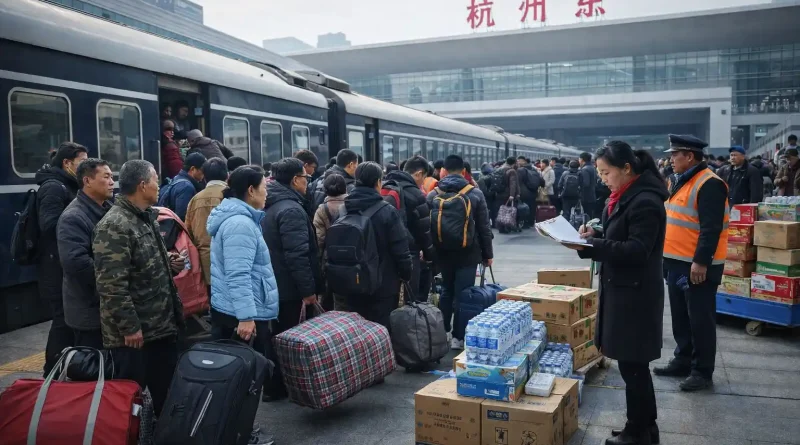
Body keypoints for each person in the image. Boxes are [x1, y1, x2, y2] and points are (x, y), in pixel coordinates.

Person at [571, 141, 668, 445]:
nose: (602, 178)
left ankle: (638, 432)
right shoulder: (626, 196)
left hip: (635, 297)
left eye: (606, 172)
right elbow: (622, 238)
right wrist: (595, 237)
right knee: (632, 366)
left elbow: (638, 250)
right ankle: (643, 428)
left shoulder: (645, 202)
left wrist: (594, 246)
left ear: (626, 169)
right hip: (626, 292)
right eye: (599, 173)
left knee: (633, 366)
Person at [93, 160, 185, 415]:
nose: (159, 185)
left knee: (164, 395)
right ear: (143, 185)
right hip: (136, 336)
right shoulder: (115, 225)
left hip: (159, 327)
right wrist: (130, 327)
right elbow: (111, 285)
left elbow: (142, 260)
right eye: (156, 179)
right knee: (129, 402)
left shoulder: (145, 218)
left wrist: (169, 263)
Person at [206, 166, 281, 442]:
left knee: (237, 378)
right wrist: (247, 317)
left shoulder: (239, 217)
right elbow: (238, 275)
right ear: (250, 191)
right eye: (264, 186)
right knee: (244, 380)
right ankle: (240, 433)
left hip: (232, 309)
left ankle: (238, 430)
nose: (267, 191)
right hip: (242, 313)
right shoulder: (240, 224)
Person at [655, 134, 728, 392]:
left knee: (700, 319)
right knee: (680, 316)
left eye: (675, 155)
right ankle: (683, 359)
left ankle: (702, 371)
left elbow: (711, 228)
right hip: (675, 262)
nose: (670, 159)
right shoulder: (681, 180)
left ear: (689, 156)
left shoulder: (710, 184)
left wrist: (701, 262)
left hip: (696, 266)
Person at [427, 155, 493, 349]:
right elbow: (484, 228)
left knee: (446, 290)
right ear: (464, 171)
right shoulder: (475, 194)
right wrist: (488, 254)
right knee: (464, 294)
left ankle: (443, 332)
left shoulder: (433, 194)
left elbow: (427, 226)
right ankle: (458, 337)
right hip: (468, 253)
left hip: (442, 253)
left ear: (443, 171)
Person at [36, 142, 87, 375]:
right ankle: (52, 372)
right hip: (54, 268)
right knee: (62, 322)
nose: (86, 167)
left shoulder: (69, 185)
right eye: (82, 163)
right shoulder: (54, 187)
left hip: (63, 264)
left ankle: (67, 369)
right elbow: (49, 225)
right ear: (67, 163)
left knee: (68, 321)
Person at [344, 162, 413, 328]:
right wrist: (406, 273)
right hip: (383, 284)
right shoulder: (387, 211)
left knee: (357, 328)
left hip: (352, 282)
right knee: (381, 329)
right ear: (378, 182)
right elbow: (400, 249)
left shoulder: (343, 209)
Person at [262, 158, 324, 336]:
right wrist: (308, 291)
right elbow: (297, 255)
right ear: (295, 180)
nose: (307, 182)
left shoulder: (272, 203)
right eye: (306, 178)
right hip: (291, 291)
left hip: (277, 285)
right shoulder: (291, 210)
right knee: (294, 337)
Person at [58, 158, 114, 349]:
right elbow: (76, 263)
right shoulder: (73, 217)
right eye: (106, 176)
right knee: (94, 367)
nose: (112, 182)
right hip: (90, 310)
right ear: (87, 181)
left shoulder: (109, 210)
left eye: (112, 177)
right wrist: (114, 281)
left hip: (107, 308)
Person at [384, 155, 437, 302]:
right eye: (424, 177)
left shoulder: (385, 187)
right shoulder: (416, 194)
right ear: (419, 173)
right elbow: (424, 231)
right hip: (410, 254)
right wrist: (430, 255)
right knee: (411, 299)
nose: (423, 182)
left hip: (386, 254)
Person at [186, 157, 229, 290]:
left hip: (204, 263)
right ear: (227, 175)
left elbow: (187, 231)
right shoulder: (232, 195)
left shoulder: (195, 199)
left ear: (204, 176)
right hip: (229, 260)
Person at [313, 173, 349, 311]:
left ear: (325, 190)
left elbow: (319, 239)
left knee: (329, 298)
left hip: (331, 259)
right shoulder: (352, 204)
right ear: (345, 188)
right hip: (352, 256)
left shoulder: (322, 209)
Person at [157, 152, 206, 221]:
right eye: (203, 170)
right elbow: (182, 217)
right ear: (193, 169)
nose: (204, 174)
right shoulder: (186, 187)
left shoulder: (176, 179)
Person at [493, 157, 520, 233]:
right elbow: (513, 184)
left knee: (501, 211)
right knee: (509, 211)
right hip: (507, 194)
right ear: (514, 163)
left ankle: (500, 227)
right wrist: (512, 195)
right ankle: (508, 226)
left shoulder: (499, 169)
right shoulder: (512, 171)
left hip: (499, 193)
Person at [516, 156, 541, 228]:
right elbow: (541, 181)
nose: (518, 162)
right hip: (534, 192)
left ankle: (525, 223)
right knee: (532, 207)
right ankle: (530, 222)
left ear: (524, 161)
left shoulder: (520, 170)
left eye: (519, 161)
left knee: (524, 207)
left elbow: (518, 181)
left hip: (524, 193)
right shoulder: (534, 169)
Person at [579, 152, 598, 219]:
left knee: (586, 215)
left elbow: (585, 183)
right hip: (592, 195)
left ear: (582, 159)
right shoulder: (592, 168)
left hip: (586, 197)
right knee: (590, 214)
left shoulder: (585, 169)